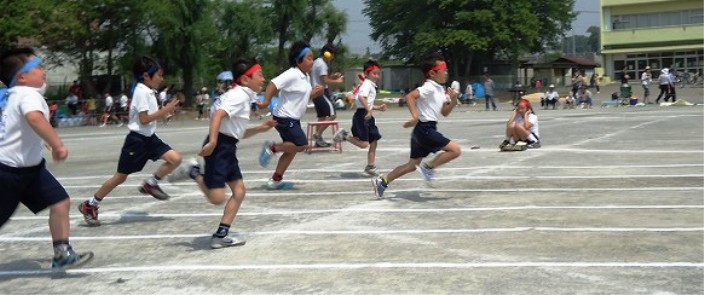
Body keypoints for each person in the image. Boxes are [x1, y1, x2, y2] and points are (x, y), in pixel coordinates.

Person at [0, 47, 93, 269]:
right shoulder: (27, 94)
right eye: (38, 67)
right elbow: (34, 118)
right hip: (8, 172)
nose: (43, 71)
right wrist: (58, 144)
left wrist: (49, 141)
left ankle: (62, 253)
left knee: (60, 201)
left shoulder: (12, 96)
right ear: (22, 77)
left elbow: (26, 126)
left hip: (31, 170)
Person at [168, 57, 275, 249]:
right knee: (217, 198)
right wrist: (213, 140)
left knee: (239, 191)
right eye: (259, 75)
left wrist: (260, 129)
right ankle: (193, 171)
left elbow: (236, 132)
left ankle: (221, 234)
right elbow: (218, 115)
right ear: (244, 80)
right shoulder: (238, 96)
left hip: (227, 147)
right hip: (219, 148)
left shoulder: (242, 94)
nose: (263, 78)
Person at [77, 55, 182, 226]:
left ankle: (151, 184)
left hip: (149, 138)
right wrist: (164, 111)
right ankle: (91, 204)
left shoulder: (148, 91)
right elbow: (144, 119)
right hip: (137, 141)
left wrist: (165, 114)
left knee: (175, 159)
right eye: (159, 75)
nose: (162, 79)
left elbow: (149, 117)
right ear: (146, 76)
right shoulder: (141, 91)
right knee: (120, 177)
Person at [372, 53, 462, 199]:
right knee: (455, 150)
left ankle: (382, 182)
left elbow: (445, 112)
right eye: (443, 70)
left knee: (411, 165)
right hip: (425, 129)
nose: (446, 72)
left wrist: (453, 99)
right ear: (432, 73)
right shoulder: (429, 87)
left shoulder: (439, 89)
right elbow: (410, 96)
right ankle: (428, 168)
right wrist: (415, 116)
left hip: (422, 130)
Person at [257, 40, 324, 190]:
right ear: (298, 60)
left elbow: (301, 99)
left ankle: (275, 180)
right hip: (284, 117)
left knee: (291, 149)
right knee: (301, 145)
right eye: (309, 58)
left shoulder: (304, 77)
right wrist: (266, 101)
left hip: (293, 118)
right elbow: (273, 84)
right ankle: (272, 148)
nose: (312, 61)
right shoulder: (292, 74)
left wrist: (314, 93)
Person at [332, 60, 387, 176]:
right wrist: (369, 110)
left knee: (374, 141)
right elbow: (362, 98)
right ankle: (344, 135)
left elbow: (365, 102)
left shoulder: (369, 84)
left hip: (367, 115)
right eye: (374, 73)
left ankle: (370, 166)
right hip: (362, 116)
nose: (377, 76)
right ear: (366, 74)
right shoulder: (367, 84)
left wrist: (377, 108)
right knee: (364, 144)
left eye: (378, 73)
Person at [310, 43, 344, 147]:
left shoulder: (317, 62)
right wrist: (337, 81)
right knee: (332, 115)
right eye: (332, 55)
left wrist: (332, 77)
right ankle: (317, 134)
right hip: (321, 91)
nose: (333, 57)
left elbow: (322, 78)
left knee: (322, 117)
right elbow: (324, 80)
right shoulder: (322, 64)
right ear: (327, 54)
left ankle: (318, 140)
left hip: (315, 91)